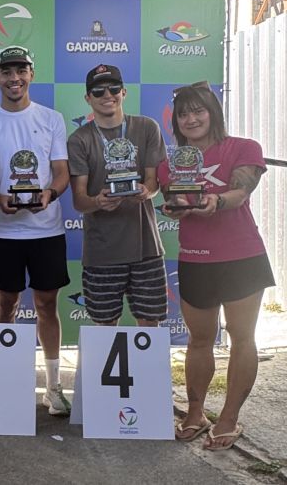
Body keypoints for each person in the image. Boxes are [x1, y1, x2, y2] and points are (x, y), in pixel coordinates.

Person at [159, 81, 274, 450]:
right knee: (199, 340)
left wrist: (217, 201)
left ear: (214, 112)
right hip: (195, 259)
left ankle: (228, 419)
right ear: (175, 121)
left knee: (242, 338)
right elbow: (177, 204)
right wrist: (173, 208)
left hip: (241, 257)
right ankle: (195, 412)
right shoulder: (169, 165)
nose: (191, 119)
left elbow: (241, 191)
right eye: (183, 114)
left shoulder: (244, 148)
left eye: (199, 111)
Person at [0, 46, 72, 416]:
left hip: (46, 230)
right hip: (5, 232)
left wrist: (49, 194)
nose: (14, 78)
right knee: (5, 307)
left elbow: (62, 173)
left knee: (47, 306)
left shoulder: (52, 119)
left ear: (31, 74)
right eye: (6, 71)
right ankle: (6, 380)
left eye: (20, 70)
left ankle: (52, 386)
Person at [67, 64, 167, 326]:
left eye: (113, 88)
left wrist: (147, 191)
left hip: (146, 248)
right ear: (88, 98)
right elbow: (79, 201)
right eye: (98, 91)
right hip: (102, 252)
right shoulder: (79, 139)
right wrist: (97, 201)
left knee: (149, 327)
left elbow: (153, 183)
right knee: (105, 331)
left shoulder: (147, 127)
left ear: (123, 92)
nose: (106, 95)